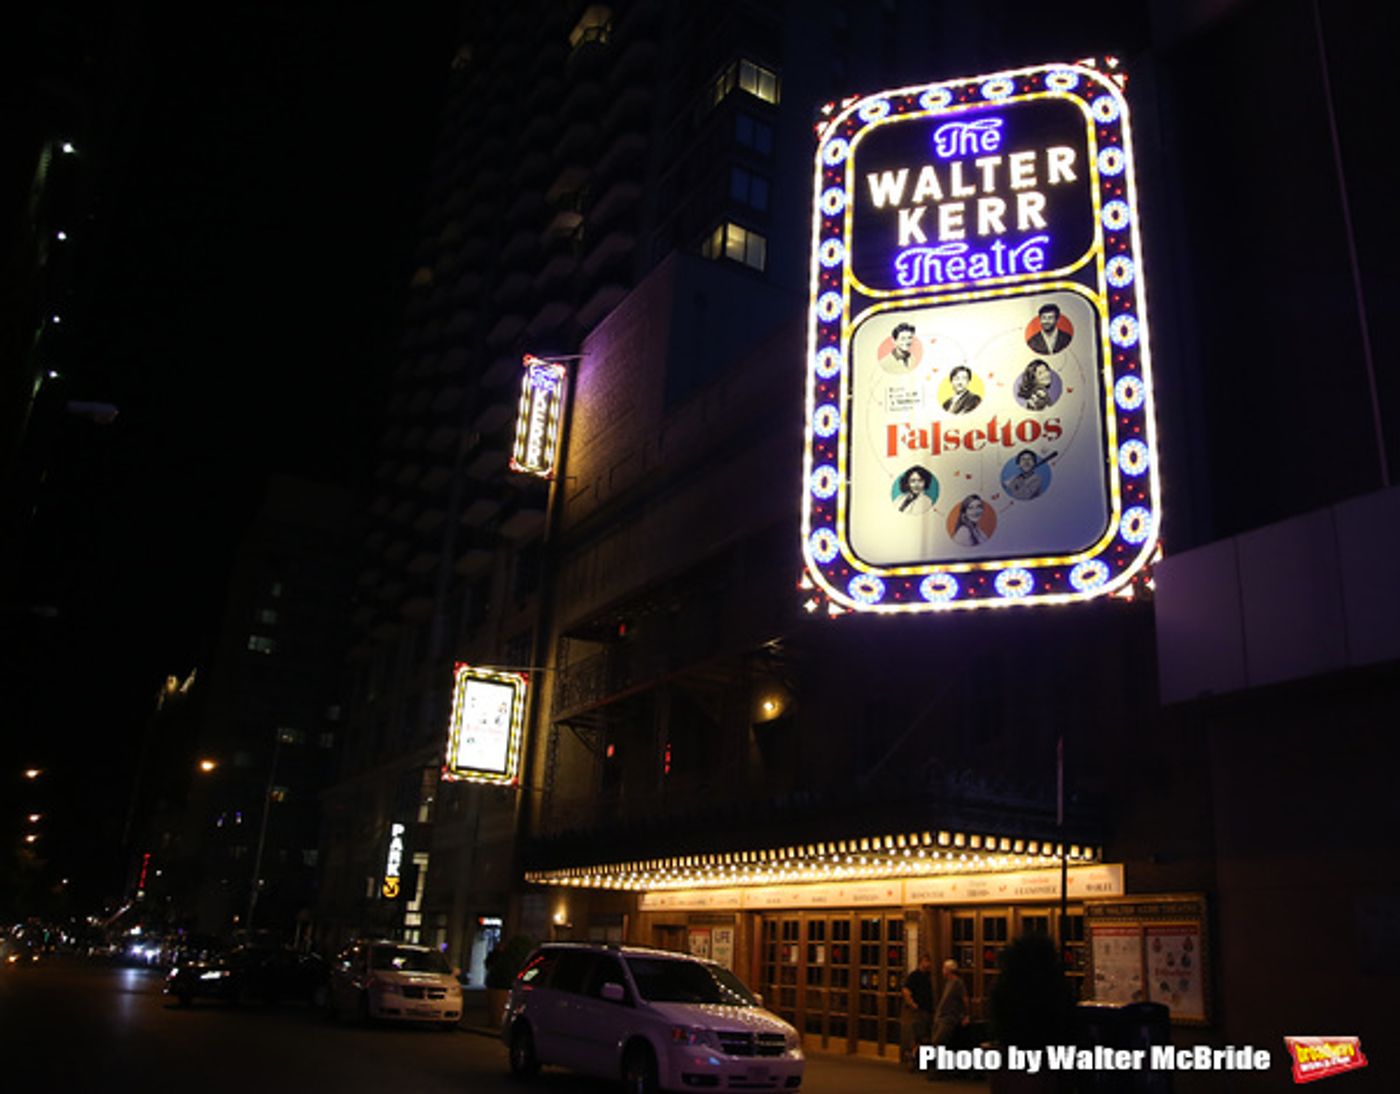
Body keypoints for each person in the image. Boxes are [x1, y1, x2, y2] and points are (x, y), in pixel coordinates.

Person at [902, 954, 935, 1070]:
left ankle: (922, 1060)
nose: (929, 964)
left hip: (927, 1009)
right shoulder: (914, 975)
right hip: (918, 1010)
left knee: (924, 1035)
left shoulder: (929, 976)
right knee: (917, 1035)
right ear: (921, 962)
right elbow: (906, 990)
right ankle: (913, 1057)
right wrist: (912, 1003)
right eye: (927, 961)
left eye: (929, 962)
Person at [931, 958, 968, 1048]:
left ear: (949, 970)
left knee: (939, 1041)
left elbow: (965, 999)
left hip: (948, 1019)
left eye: (944, 968)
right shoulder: (948, 983)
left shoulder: (958, 983)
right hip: (941, 1017)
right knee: (934, 1041)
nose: (942, 971)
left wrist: (966, 1015)